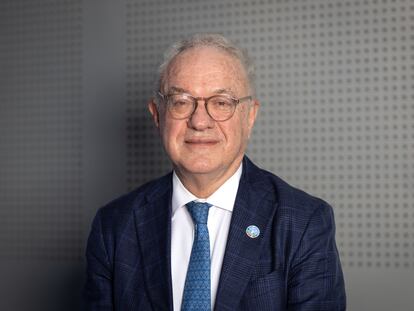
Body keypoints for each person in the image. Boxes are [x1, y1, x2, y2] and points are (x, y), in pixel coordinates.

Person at [83, 33, 346, 311]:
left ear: (250, 115)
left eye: (222, 102)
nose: (199, 121)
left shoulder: (304, 222)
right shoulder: (113, 225)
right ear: (157, 114)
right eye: (181, 101)